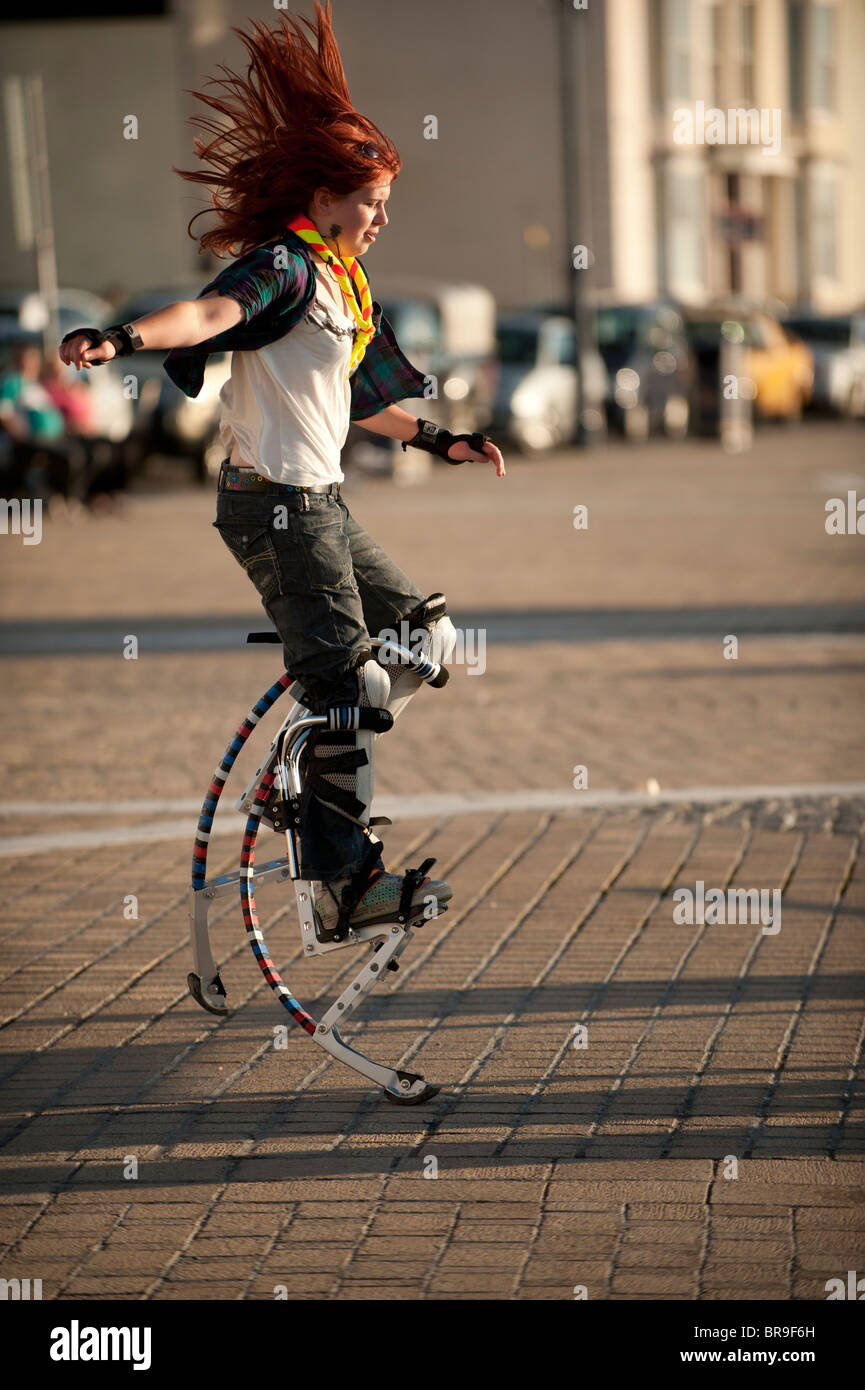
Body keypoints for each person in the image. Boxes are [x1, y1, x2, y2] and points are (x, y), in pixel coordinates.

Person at [59, 1, 505, 936]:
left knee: (429, 643)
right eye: (371, 202)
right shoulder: (283, 268)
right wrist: (122, 337)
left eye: (385, 202)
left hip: (321, 504)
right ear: (327, 197)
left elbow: (351, 400)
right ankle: (343, 888)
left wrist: (439, 441)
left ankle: (308, 774)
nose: (382, 218)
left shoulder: (342, 282)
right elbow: (210, 317)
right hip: (275, 509)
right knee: (349, 690)